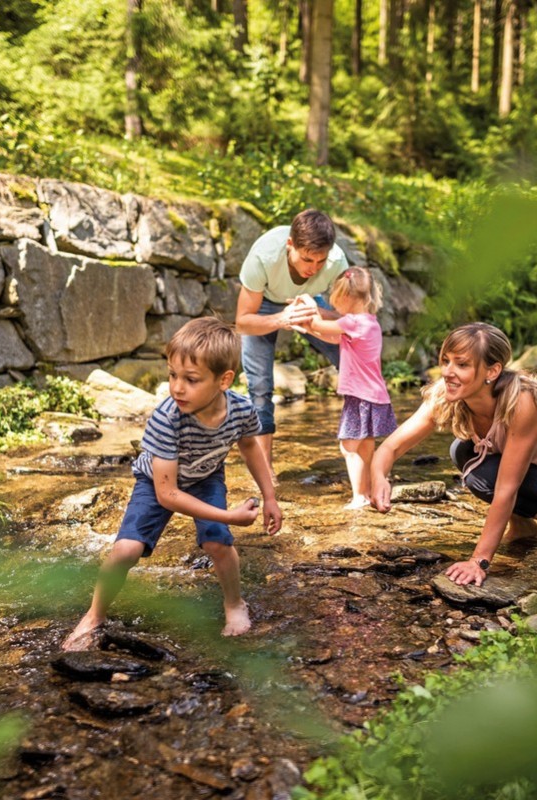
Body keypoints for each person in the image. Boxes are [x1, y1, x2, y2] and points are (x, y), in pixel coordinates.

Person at [62, 317, 283, 650]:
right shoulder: (167, 418)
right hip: (156, 483)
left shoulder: (241, 409)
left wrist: (270, 497)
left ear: (224, 380)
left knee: (218, 544)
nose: (177, 387)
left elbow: (249, 445)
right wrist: (231, 516)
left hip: (206, 475)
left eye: (191, 379)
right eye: (172, 375)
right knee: (125, 550)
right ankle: (94, 615)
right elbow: (167, 495)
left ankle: (234, 603)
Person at [369, 322, 537, 586]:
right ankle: (524, 527)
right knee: (463, 449)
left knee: (483, 475)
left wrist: (479, 561)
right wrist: (378, 476)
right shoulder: (448, 394)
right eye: (446, 361)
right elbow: (391, 446)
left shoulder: (524, 401)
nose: (448, 372)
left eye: (462, 364)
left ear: (492, 370)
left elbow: (505, 490)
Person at [234, 209, 349, 473]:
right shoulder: (263, 256)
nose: (314, 268)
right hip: (262, 305)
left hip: (310, 301)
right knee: (260, 388)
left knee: (352, 359)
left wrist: (317, 313)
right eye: (308, 259)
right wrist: (282, 319)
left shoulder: (337, 261)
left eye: (321, 261)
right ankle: (265, 475)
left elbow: (351, 317)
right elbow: (242, 321)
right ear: (290, 245)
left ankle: (364, 454)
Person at [304, 267, 398, 509]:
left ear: (345, 298)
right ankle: (365, 493)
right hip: (374, 395)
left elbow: (319, 324)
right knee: (365, 445)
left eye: (335, 299)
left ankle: (358, 496)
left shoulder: (350, 322)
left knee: (348, 446)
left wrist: (307, 303)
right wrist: (306, 328)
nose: (334, 305)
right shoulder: (368, 322)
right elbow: (333, 338)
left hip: (359, 395)